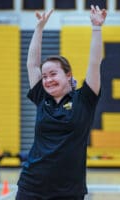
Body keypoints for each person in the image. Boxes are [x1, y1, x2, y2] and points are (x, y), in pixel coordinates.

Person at [16, 5, 107, 200]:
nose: (47, 80)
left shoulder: (85, 99)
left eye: (53, 74)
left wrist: (97, 28)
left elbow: (94, 62)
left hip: (68, 191)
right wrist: (39, 28)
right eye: (45, 76)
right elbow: (32, 64)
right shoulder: (42, 98)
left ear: (68, 75)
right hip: (31, 186)